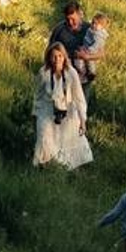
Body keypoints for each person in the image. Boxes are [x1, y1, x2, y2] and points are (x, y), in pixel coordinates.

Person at [32, 41, 92, 169]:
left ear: (64, 57)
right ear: (49, 57)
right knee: (44, 139)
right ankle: (45, 168)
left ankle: (62, 170)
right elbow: (38, 95)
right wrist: (36, 114)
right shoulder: (44, 73)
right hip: (48, 111)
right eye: (54, 56)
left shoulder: (71, 73)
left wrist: (82, 119)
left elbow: (79, 97)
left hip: (68, 111)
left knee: (65, 142)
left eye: (60, 56)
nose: (57, 59)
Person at [76, 11, 110, 106]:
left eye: (96, 24)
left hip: (90, 51)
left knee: (90, 63)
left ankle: (91, 73)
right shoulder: (90, 28)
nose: (93, 25)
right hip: (85, 49)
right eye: (93, 23)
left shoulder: (99, 35)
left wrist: (87, 52)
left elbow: (98, 49)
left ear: (101, 26)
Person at [48, 0, 87, 66]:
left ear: (79, 14)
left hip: (83, 66)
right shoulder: (59, 29)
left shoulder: (89, 29)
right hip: (64, 66)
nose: (70, 22)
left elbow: (101, 53)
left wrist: (87, 57)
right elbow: (49, 51)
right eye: (67, 19)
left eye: (73, 19)